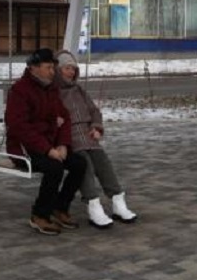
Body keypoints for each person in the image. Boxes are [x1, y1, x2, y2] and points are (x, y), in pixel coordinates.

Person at [5, 48, 87, 236]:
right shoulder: (20, 90)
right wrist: (48, 149)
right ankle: (39, 214)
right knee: (54, 168)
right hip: (24, 148)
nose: (52, 72)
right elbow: (19, 127)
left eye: (53, 67)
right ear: (33, 68)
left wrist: (63, 144)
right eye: (48, 67)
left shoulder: (51, 89)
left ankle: (60, 207)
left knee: (79, 164)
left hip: (50, 144)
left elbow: (64, 117)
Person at [54, 50, 137, 229]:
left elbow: (94, 111)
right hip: (69, 136)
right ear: (58, 70)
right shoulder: (53, 92)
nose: (71, 72)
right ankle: (93, 205)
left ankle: (118, 201)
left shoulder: (78, 90)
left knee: (102, 161)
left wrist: (96, 127)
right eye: (67, 68)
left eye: (73, 69)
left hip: (88, 134)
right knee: (85, 164)